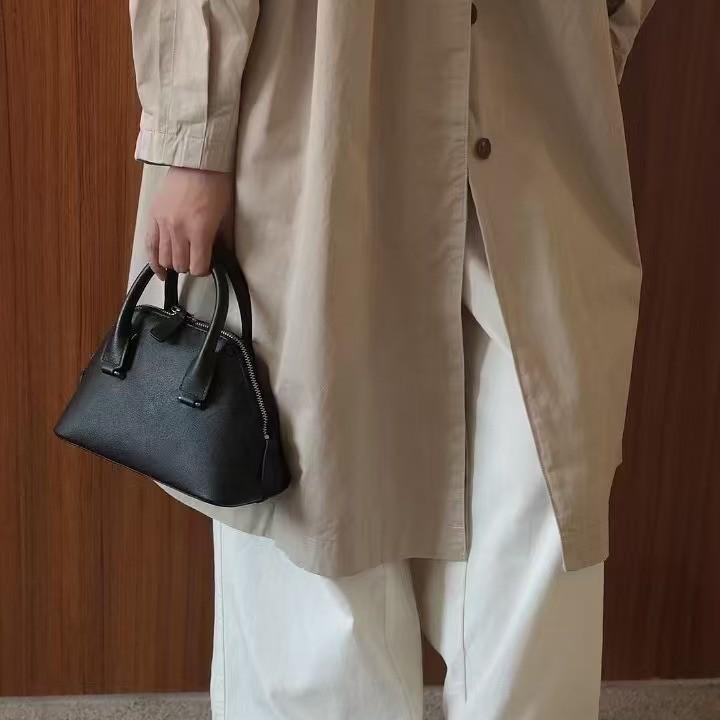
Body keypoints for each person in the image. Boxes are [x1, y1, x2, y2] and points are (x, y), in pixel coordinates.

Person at [127, 1, 657, 718]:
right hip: (317, 94)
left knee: (542, 484)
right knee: (316, 503)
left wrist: (592, 39)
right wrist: (191, 137)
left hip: (531, 84)